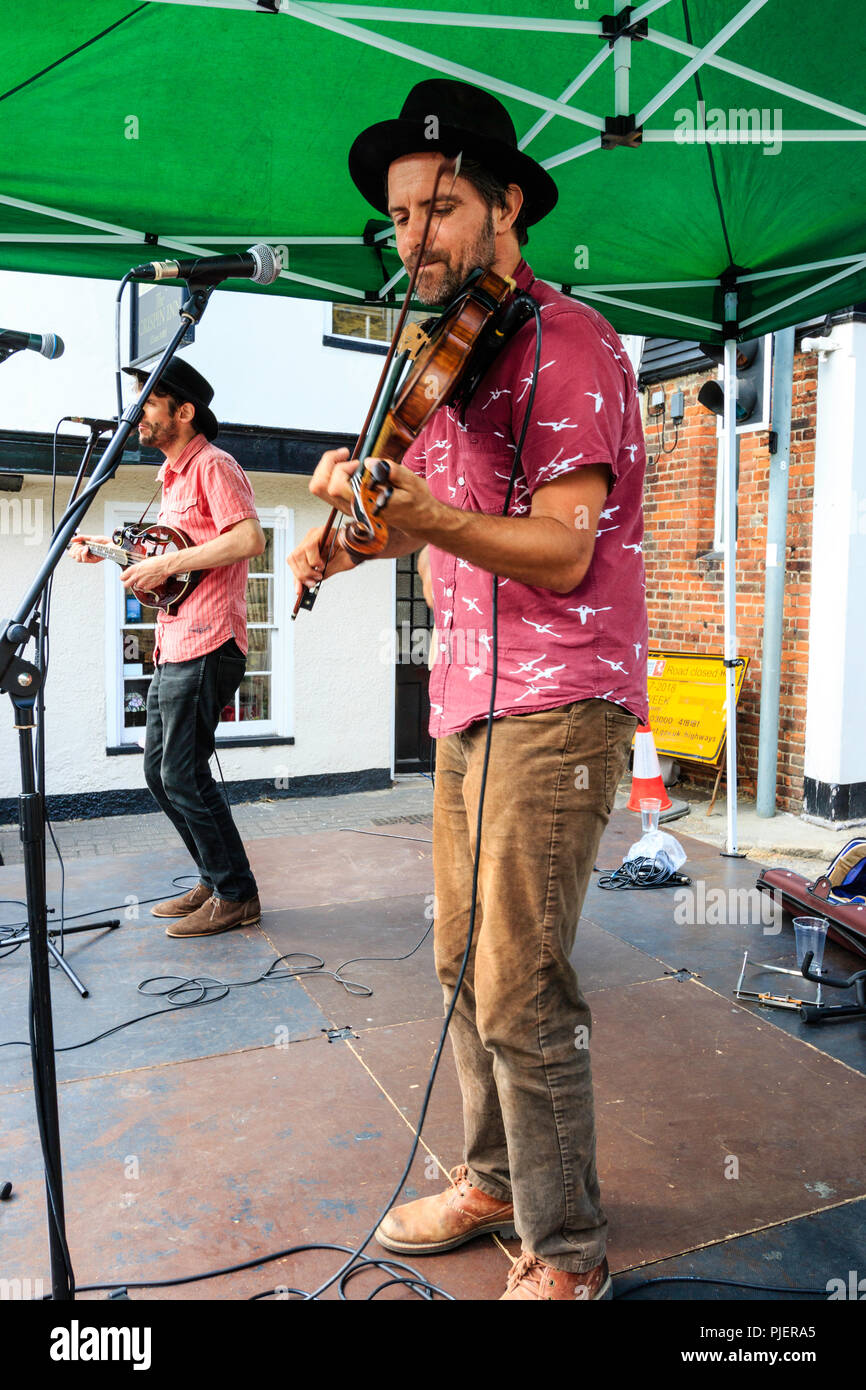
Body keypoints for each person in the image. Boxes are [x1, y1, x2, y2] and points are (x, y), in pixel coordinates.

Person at [289, 78, 649, 1301]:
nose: (414, 237)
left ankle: (565, 1250)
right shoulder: (438, 356)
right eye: (398, 216)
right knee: (459, 962)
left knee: (517, 978)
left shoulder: (572, 345)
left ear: (507, 211)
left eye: (440, 208)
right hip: (465, 693)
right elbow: (413, 526)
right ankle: (492, 1177)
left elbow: (558, 545)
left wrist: (428, 512)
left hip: (561, 694)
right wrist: (341, 534)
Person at [71, 359, 265, 938]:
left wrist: (166, 562)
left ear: (183, 411)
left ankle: (237, 895)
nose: (138, 412)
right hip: (174, 641)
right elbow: (168, 555)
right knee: (160, 774)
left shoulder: (213, 464)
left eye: (149, 401)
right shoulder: (171, 477)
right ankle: (214, 875)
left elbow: (247, 538)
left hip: (208, 641)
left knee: (181, 773)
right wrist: (108, 548)